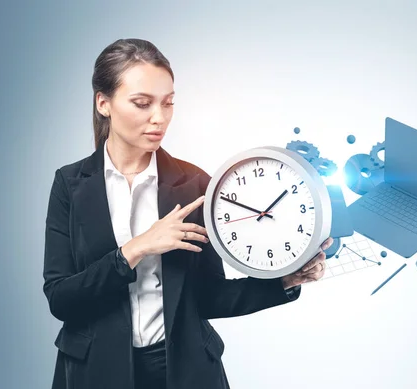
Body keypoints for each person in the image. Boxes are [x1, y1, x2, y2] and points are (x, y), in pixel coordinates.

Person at [42, 38, 333, 389]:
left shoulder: (195, 184)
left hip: (185, 371)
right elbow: (61, 299)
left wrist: (286, 281)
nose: (159, 118)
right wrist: (137, 249)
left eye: (168, 103)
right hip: (95, 372)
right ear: (103, 103)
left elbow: (209, 296)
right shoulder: (70, 184)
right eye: (142, 103)